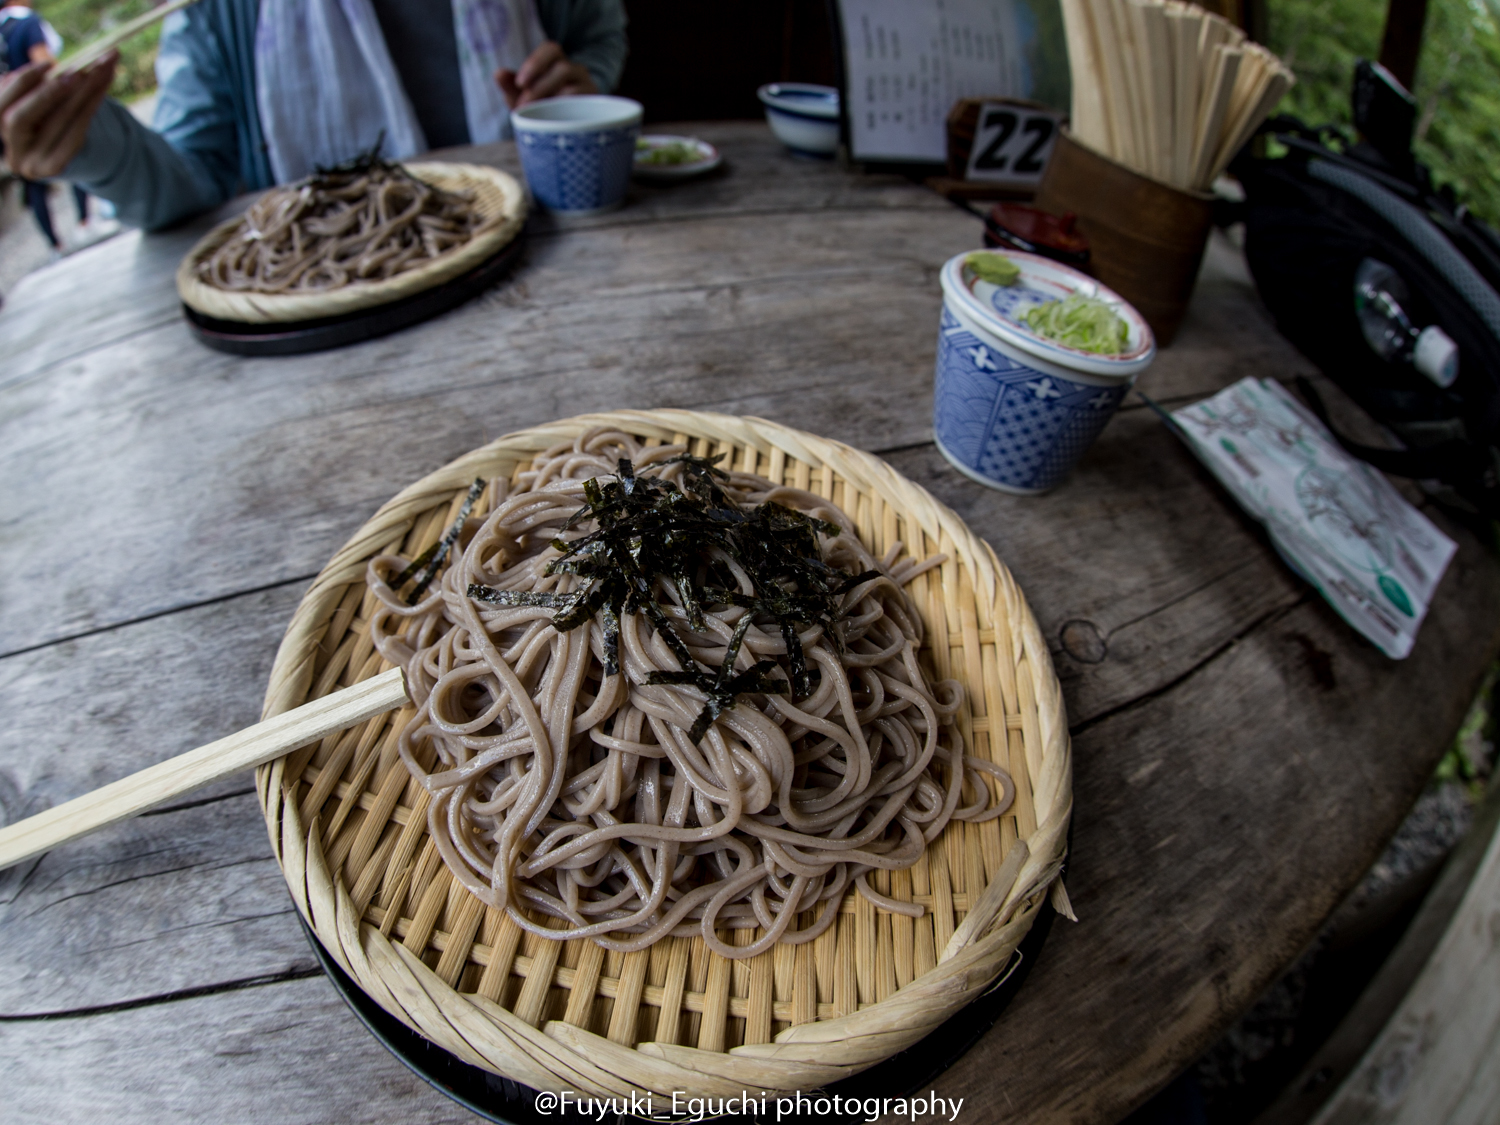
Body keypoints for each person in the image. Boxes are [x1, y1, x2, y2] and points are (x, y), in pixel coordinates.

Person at [0, 0, 625, 232]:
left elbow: (599, 32)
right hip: (324, 317)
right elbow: (186, 182)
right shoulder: (220, 14)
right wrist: (90, 143)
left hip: (544, 242)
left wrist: (582, 83)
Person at [0, 0, 90, 250]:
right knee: (71, 156)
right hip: (41, 109)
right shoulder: (26, 22)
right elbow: (43, 63)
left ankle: (54, 244)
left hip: (9, 121)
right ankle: (85, 222)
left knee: (32, 180)